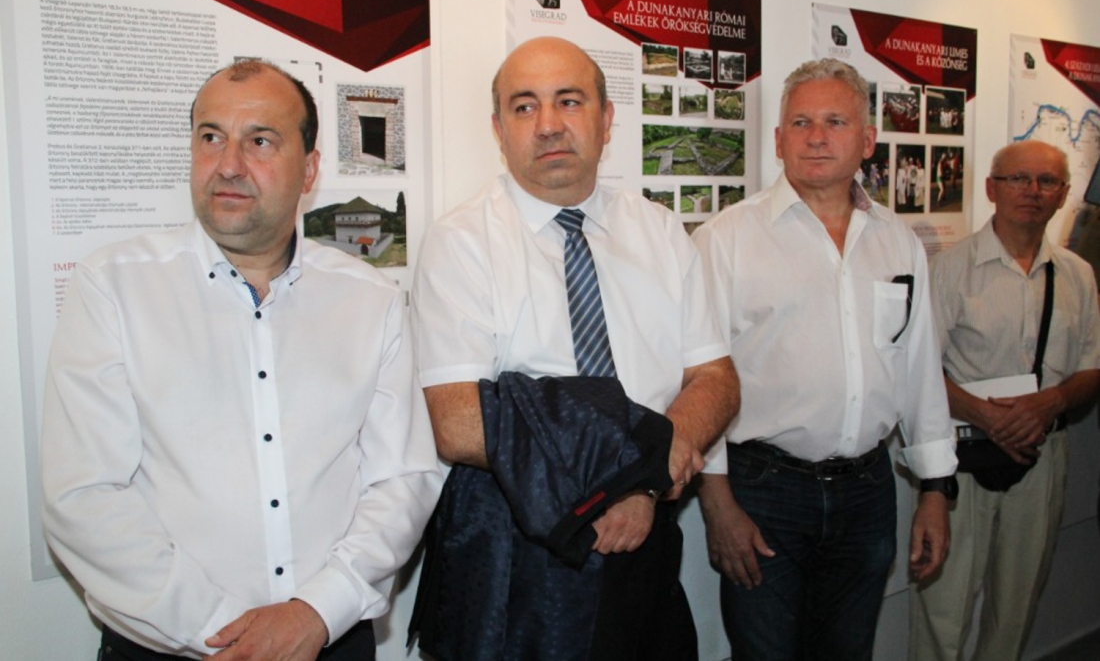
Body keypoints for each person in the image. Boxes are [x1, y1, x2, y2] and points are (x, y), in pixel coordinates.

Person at [40, 59, 443, 661]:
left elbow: (403, 479)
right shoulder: (114, 287)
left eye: (259, 141)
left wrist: (315, 612)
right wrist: (229, 632)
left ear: (309, 169)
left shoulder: (370, 300)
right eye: (211, 137)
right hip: (173, 647)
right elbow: (84, 497)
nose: (228, 164)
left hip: (327, 639)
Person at [410, 36, 739, 660]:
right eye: (524, 106)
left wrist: (643, 486)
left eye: (569, 100)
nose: (548, 124)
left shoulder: (659, 230)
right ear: (499, 129)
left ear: (606, 119)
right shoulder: (460, 243)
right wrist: (628, 474)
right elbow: (458, 423)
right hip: (521, 556)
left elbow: (715, 378)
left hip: (648, 532)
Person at [691, 58, 958, 661]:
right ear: (778, 139)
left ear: (867, 140)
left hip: (868, 492)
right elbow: (699, 381)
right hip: (764, 493)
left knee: (848, 651)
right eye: (801, 122)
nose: (816, 137)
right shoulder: (726, 240)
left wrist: (935, 490)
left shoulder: (898, 242)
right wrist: (717, 503)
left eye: (835, 122)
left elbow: (919, 372)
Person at [909, 140, 1100, 661]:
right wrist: (986, 416)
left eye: (1047, 181)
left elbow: (1091, 368)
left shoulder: (1077, 275)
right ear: (992, 188)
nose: (1032, 191)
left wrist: (1051, 402)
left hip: (1042, 456)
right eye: (1018, 179)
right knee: (944, 608)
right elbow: (919, 372)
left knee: (1016, 605)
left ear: (1063, 194)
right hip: (964, 456)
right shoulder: (951, 270)